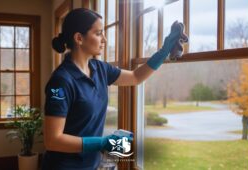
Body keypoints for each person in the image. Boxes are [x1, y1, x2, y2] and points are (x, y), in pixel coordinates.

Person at [42, 8, 184, 170]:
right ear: (79, 38)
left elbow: (136, 77)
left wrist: (163, 52)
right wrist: (103, 142)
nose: (104, 39)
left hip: (91, 165)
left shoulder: (99, 69)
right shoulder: (61, 81)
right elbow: (52, 140)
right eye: (98, 33)